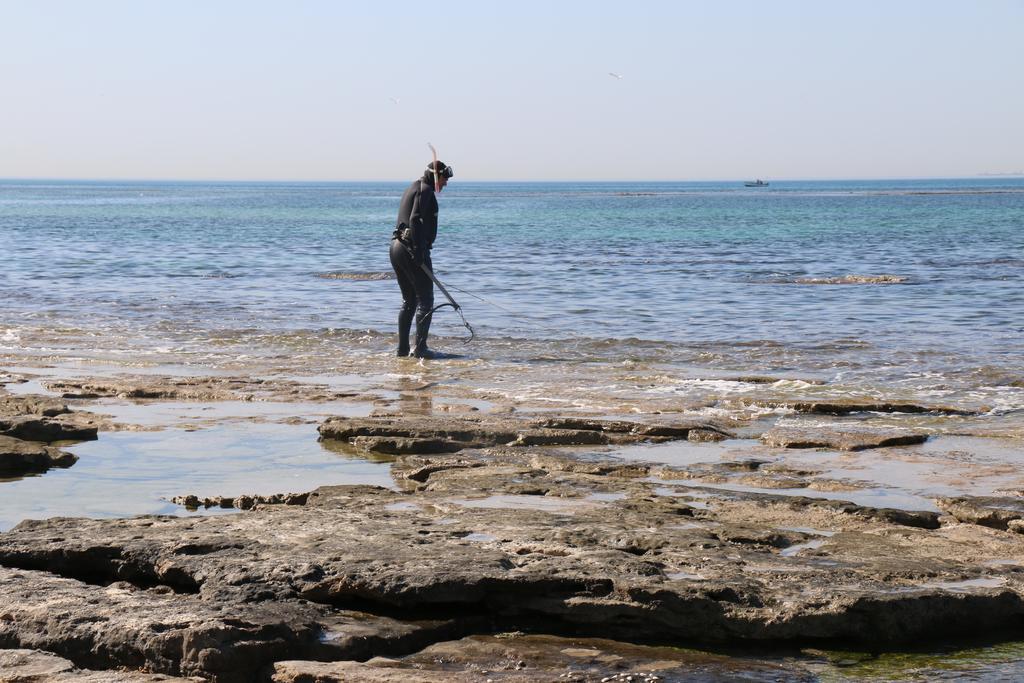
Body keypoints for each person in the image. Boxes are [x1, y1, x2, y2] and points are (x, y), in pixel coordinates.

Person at [389, 159, 454, 358]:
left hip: (396, 247)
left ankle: (402, 350)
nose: (445, 183)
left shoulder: (413, 187)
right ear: (436, 175)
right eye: (444, 178)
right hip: (411, 249)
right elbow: (415, 219)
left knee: (409, 300)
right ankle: (420, 349)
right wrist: (419, 251)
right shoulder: (425, 190)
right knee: (426, 300)